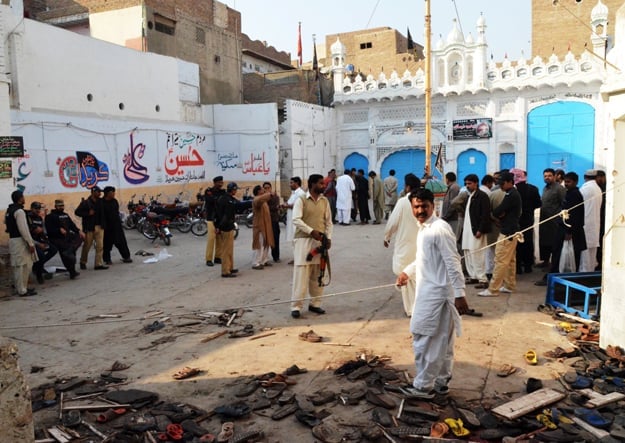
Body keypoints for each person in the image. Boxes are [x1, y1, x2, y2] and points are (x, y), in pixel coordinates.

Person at [396, 188, 469, 398]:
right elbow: (424, 259)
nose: (420, 210)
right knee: (442, 341)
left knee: (425, 339)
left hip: (437, 294)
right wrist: (407, 272)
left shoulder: (439, 229)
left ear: (432, 206)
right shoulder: (424, 229)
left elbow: (453, 261)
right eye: (416, 207)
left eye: (424, 206)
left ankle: (422, 386)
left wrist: (460, 293)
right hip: (429, 291)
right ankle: (441, 382)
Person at [290, 174, 333, 318]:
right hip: (303, 241)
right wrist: (311, 231)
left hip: (320, 242)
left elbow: (328, 222)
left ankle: (315, 304)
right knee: (301, 274)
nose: (324, 185)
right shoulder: (301, 200)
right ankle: (296, 306)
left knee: (318, 274)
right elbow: (296, 220)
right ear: (312, 184)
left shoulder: (325, 201)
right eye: (321, 183)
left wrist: (328, 238)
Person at [478, 172, 522, 297]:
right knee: (510, 260)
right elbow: (501, 211)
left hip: (507, 232)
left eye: (502, 183)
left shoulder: (511, 195)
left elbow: (498, 210)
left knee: (500, 260)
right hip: (512, 230)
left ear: (509, 182)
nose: (500, 186)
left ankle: (493, 289)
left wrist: (499, 214)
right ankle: (509, 285)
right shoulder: (512, 193)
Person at [384, 173, 421, 316]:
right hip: (421, 244)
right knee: (417, 276)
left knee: (406, 275)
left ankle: (412, 309)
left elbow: (392, 222)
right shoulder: (423, 200)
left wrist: (387, 237)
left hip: (405, 245)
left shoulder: (403, 202)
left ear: (408, 187)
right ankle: (418, 306)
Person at [461, 174, 491, 287]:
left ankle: (483, 279)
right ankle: (473, 276)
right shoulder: (471, 196)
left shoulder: (482, 196)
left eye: (469, 183)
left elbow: (485, 215)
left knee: (478, 254)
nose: (467, 186)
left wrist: (480, 229)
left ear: (476, 183)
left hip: (476, 230)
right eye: (466, 184)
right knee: (468, 252)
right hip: (469, 230)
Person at [5, 190, 37, 296]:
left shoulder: (9, 210)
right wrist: (30, 243)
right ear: (19, 199)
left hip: (13, 240)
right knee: (22, 266)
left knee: (18, 265)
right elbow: (23, 229)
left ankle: (22, 287)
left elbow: (6, 224)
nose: (24, 198)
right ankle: (22, 290)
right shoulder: (19, 212)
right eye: (22, 197)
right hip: (20, 240)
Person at [511, 169, 541, 274]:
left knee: (516, 243)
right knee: (528, 242)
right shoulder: (533, 189)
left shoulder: (512, 190)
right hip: (528, 220)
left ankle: (518, 267)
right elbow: (538, 204)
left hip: (515, 220)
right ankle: (528, 266)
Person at [46, 200, 83, 279]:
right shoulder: (50, 216)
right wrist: (58, 230)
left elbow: (71, 225)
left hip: (67, 238)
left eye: (62, 206)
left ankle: (72, 271)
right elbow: (49, 230)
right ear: (55, 206)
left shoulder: (65, 215)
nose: (61, 207)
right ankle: (72, 272)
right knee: (66, 257)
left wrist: (79, 231)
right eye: (59, 206)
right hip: (58, 239)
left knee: (74, 249)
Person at [537, 168, 566, 270]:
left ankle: (553, 265)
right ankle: (545, 261)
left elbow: (564, 204)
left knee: (554, 243)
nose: (547, 178)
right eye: (545, 176)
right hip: (544, 221)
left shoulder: (559, 189)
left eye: (549, 176)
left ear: (554, 176)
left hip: (554, 221)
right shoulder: (545, 188)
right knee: (545, 242)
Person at [75, 186, 108, 270]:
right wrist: (87, 213)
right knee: (87, 246)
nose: (100, 194)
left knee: (100, 246)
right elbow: (77, 212)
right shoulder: (86, 203)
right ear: (93, 192)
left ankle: (98, 264)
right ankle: (83, 261)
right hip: (89, 227)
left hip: (100, 226)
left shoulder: (101, 202)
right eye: (98, 192)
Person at [26, 201, 58, 284]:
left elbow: (43, 231)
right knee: (41, 256)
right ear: (31, 208)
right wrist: (38, 243)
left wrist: (45, 241)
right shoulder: (27, 218)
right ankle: (39, 274)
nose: (37, 210)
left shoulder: (39, 218)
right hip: (31, 242)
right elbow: (27, 233)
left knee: (53, 249)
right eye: (36, 208)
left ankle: (37, 266)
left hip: (40, 241)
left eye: (39, 209)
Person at [579, 169, 602, 272]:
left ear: (585, 177)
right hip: (594, 226)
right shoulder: (598, 189)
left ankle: (584, 277)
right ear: (596, 177)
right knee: (592, 255)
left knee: (585, 256)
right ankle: (590, 273)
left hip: (585, 226)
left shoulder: (584, 189)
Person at [102, 186, 132, 265]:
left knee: (121, 242)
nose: (114, 194)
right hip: (107, 227)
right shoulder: (101, 203)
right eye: (112, 192)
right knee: (107, 244)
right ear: (108, 193)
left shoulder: (114, 201)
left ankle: (126, 257)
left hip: (117, 225)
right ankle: (107, 259)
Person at [215, 182, 240, 278]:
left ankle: (230, 267)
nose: (236, 191)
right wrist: (220, 226)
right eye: (235, 189)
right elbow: (225, 215)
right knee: (225, 250)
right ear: (233, 190)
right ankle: (225, 271)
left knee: (230, 249)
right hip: (225, 227)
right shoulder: (226, 200)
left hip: (228, 226)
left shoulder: (226, 198)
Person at [251, 184, 275, 269]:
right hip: (259, 226)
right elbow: (261, 199)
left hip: (266, 226)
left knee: (266, 243)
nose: (264, 191)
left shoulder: (263, 201)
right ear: (258, 191)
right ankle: (255, 263)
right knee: (259, 244)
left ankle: (264, 261)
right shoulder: (257, 199)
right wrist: (269, 194)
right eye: (262, 189)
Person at [284, 176, 306, 264]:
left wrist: (286, 206)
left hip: (297, 219)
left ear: (296, 183)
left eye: (291, 183)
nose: (290, 185)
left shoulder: (300, 193)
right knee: (294, 240)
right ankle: (296, 257)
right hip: (291, 219)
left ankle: (299, 258)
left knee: (298, 240)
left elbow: (297, 205)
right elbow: (290, 203)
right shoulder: (294, 193)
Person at [204, 176, 225, 267]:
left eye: (221, 182)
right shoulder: (208, 191)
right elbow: (211, 200)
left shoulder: (223, 192)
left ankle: (217, 257)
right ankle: (208, 259)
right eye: (219, 182)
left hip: (220, 218)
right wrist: (218, 199)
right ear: (215, 183)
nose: (221, 184)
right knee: (211, 239)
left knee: (219, 239)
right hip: (211, 218)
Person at [263, 182, 281, 263]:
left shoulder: (275, 197)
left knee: (275, 239)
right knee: (264, 240)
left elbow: (275, 207)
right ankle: (264, 258)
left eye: (268, 188)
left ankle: (276, 256)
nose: (267, 189)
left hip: (273, 220)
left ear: (270, 188)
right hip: (264, 221)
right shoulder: (261, 197)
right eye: (265, 188)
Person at [441, 172, 461, 241]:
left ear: (447, 179)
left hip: (453, 218)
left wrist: (446, 216)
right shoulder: (451, 187)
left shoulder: (454, 188)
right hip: (450, 218)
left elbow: (453, 204)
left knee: (452, 238)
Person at [595, 170, 606, 269]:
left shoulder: (606, 189)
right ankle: (600, 263)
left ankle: (602, 264)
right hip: (599, 220)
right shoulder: (598, 188)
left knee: (603, 243)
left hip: (604, 221)